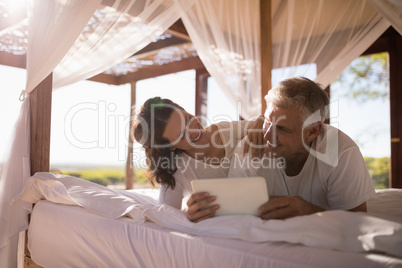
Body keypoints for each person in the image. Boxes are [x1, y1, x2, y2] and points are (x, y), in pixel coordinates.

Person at [191, 77, 376, 221]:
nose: (268, 135)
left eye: (282, 129)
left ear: (312, 131)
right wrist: (199, 211)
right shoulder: (250, 146)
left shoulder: (342, 151)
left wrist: (309, 211)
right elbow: (233, 215)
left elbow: (357, 224)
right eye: (267, 122)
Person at [132, 97, 263, 220]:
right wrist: (188, 215)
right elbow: (165, 214)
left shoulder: (228, 131)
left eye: (188, 119)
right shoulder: (177, 170)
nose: (195, 132)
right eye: (182, 135)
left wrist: (262, 120)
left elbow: (270, 125)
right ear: (171, 146)